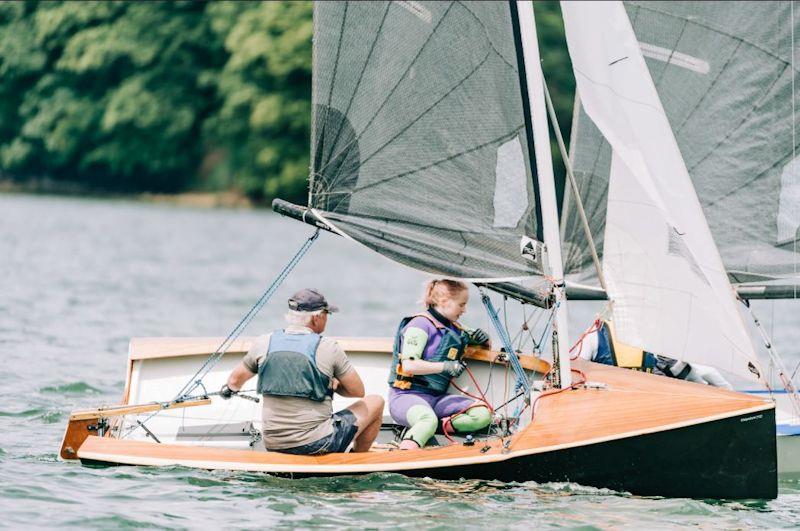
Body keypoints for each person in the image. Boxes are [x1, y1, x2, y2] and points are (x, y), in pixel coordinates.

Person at [220, 288, 385, 454]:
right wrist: (334, 385)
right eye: (327, 314)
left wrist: (229, 390)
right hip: (317, 444)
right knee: (376, 402)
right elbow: (357, 391)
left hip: (274, 443)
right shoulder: (329, 347)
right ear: (317, 318)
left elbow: (234, 382)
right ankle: (357, 459)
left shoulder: (263, 342)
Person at [387, 279, 493, 450]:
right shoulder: (419, 325)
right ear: (444, 302)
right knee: (426, 419)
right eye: (461, 305)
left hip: (436, 399)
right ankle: (404, 457)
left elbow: (484, 344)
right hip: (405, 397)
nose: (464, 310)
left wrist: (484, 339)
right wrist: (446, 366)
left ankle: (438, 426)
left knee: (483, 414)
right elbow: (409, 366)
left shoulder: (457, 329)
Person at [577, 319, 733, 389]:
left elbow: (574, 374)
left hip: (609, 412)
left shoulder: (593, 334)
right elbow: (706, 375)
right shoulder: (659, 339)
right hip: (649, 412)